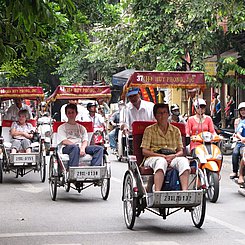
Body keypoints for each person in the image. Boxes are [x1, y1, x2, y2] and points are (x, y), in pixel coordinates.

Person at [141, 103, 190, 191]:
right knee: (161, 162)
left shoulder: (175, 131)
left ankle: (184, 192)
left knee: (184, 161)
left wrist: (174, 156)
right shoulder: (149, 130)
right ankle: (157, 192)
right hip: (154, 157)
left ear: (168, 114)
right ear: (155, 116)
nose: (162, 116)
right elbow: (144, 151)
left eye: (164, 113)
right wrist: (162, 156)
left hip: (172, 156)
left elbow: (180, 151)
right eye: (159, 113)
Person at [57, 103, 104, 168]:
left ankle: (94, 169)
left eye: (72, 112)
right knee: (74, 148)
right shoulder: (62, 127)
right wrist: (76, 146)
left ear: (76, 113)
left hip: (80, 146)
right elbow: (64, 141)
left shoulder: (81, 128)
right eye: (69, 113)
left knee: (99, 149)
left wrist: (82, 148)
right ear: (66, 114)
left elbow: (85, 140)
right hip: (67, 148)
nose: (71, 114)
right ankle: (73, 170)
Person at [230, 102, 245, 180]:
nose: (243, 112)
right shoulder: (239, 122)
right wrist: (241, 138)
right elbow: (237, 132)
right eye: (241, 110)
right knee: (235, 153)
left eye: (244, 110)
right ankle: (235, 171)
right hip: (240, 142)